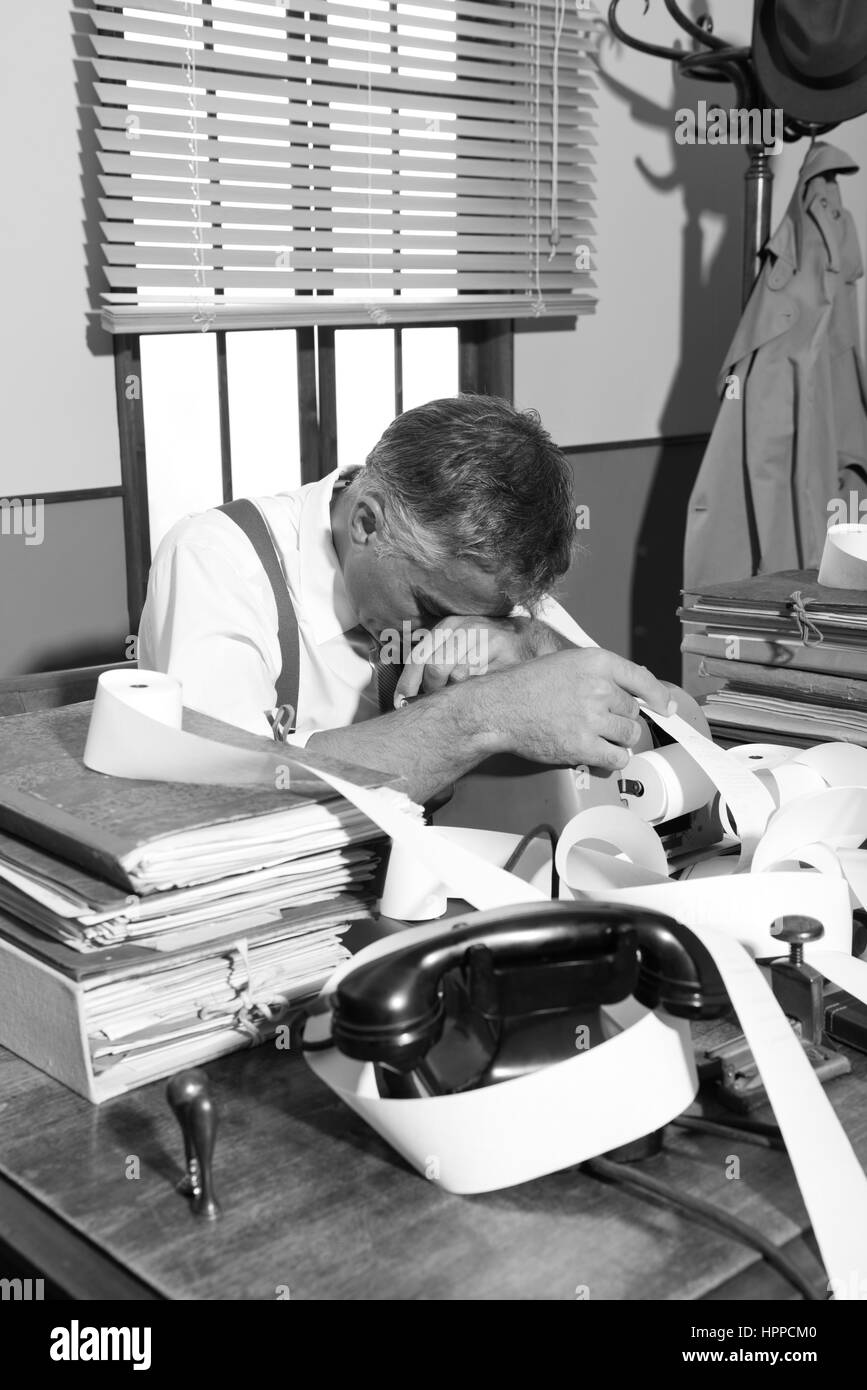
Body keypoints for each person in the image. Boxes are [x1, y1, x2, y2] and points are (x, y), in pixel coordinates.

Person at [138, 395, 672, 802]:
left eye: (488, 615)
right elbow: (223, 786)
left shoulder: (483, 578)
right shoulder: (219, 559)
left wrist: (531, 641)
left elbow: (679, 730)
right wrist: (484, 714)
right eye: (432, 607)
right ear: (367, 522)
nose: (446, 630)